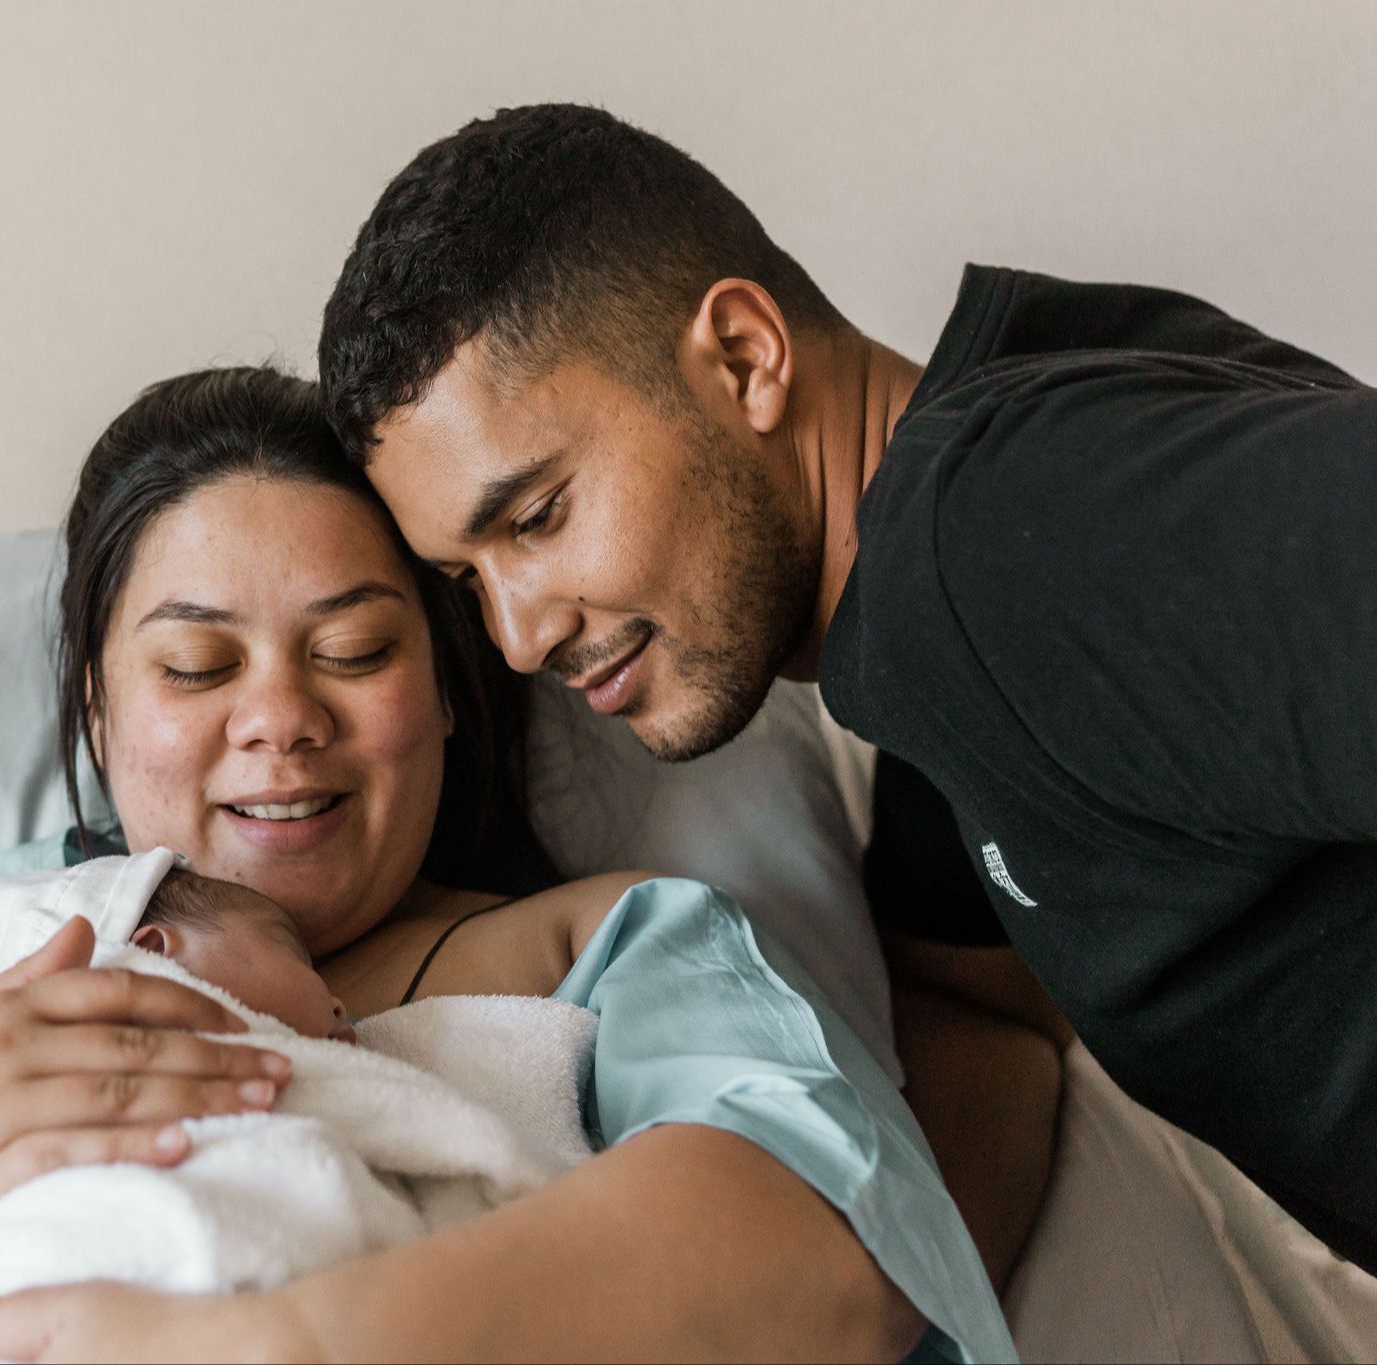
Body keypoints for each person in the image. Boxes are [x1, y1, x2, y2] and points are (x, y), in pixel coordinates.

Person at [0, 367, 1045, 1364]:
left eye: (349, 649)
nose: (277, 722)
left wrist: (295, 1342)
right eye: (196, 671)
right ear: (99, 711)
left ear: (449, 697)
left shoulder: (602, 952)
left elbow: (829, 1252)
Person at [317, 100, 1376, 1272]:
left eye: (536, 516)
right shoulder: (940, 616)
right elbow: (975, 1007)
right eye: (466, 578)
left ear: (743, 359)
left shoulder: (1003, 533)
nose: (517, 638)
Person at [0, 847, 598, 1365]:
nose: (341, 1003)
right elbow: (450, 1137)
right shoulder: (269, 1068)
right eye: (299, 959)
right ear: (153, 956)